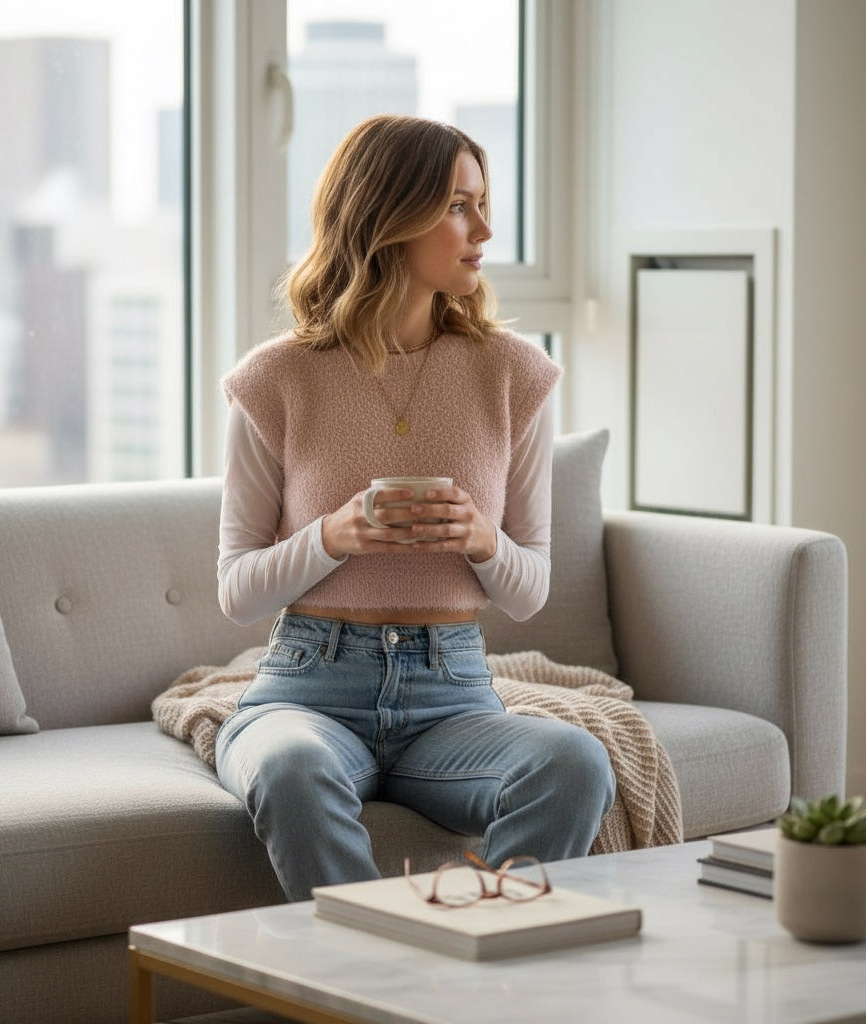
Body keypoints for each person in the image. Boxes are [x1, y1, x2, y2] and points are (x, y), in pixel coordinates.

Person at [214, 114, 616, 902]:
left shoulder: (514, 374)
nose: (485, 229)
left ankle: (474, 966)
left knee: (575, 762)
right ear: (389, 215)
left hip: (453, 694)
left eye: (483, 203)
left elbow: (528, 591)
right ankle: (376, 988)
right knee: (291, 767)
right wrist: (333, 536)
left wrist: (480, 540)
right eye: (460, 206)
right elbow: (237, 591)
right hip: (306, 689)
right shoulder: (275, 378)